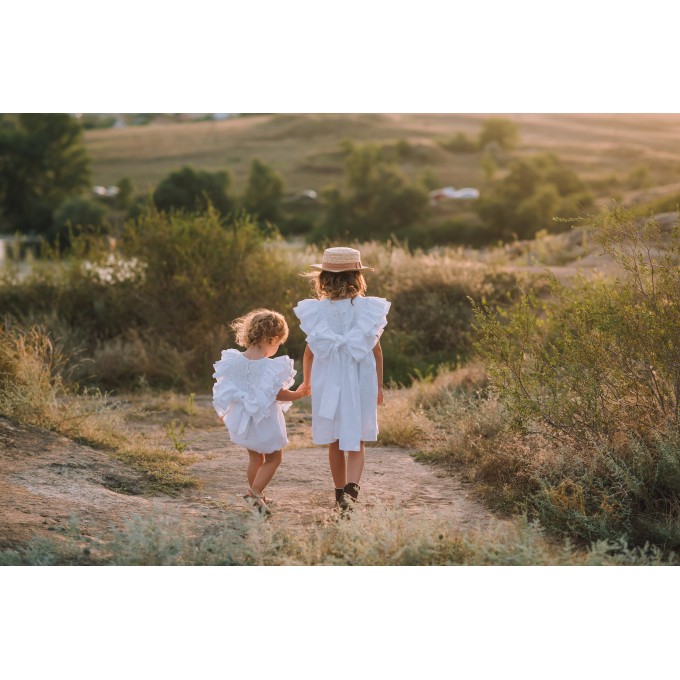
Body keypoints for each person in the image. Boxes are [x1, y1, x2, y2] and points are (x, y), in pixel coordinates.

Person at [294, 247, 390, 512]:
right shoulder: (368, 309)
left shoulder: (316, 311)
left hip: (328, 382)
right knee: (356, 440)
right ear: (357, 278)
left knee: (335, 441)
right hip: (360, 381)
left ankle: (339, 495)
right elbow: (377, 351)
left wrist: (306, 382)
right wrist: (379, 386)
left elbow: (309, 352)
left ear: (323, 279)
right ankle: (351, 491)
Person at [212, 309, 310, 515]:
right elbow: (278, 394)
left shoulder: (233, 360)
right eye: (278, 344)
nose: (277, 348)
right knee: (274, 459)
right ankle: (254, 493)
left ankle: (259, 498)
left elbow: (224, 387)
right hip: (264, 420)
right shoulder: (269, 366)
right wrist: (299, 394)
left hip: (244, 420)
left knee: (256, 459)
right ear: (273, 339)